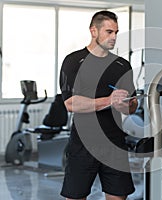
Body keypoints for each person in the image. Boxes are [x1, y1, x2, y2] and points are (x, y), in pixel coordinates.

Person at [59, 11, 138, 200]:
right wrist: (109, 100)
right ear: (93, 31)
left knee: (118, 196)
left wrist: (125, 104)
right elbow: (71, 103)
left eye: (116, 32)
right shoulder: (73, 62)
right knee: (76, 197)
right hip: (83, 144)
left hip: (114, 144)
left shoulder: (122, 65)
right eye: (109, 32)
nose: (114, 37)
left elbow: (132, 106)